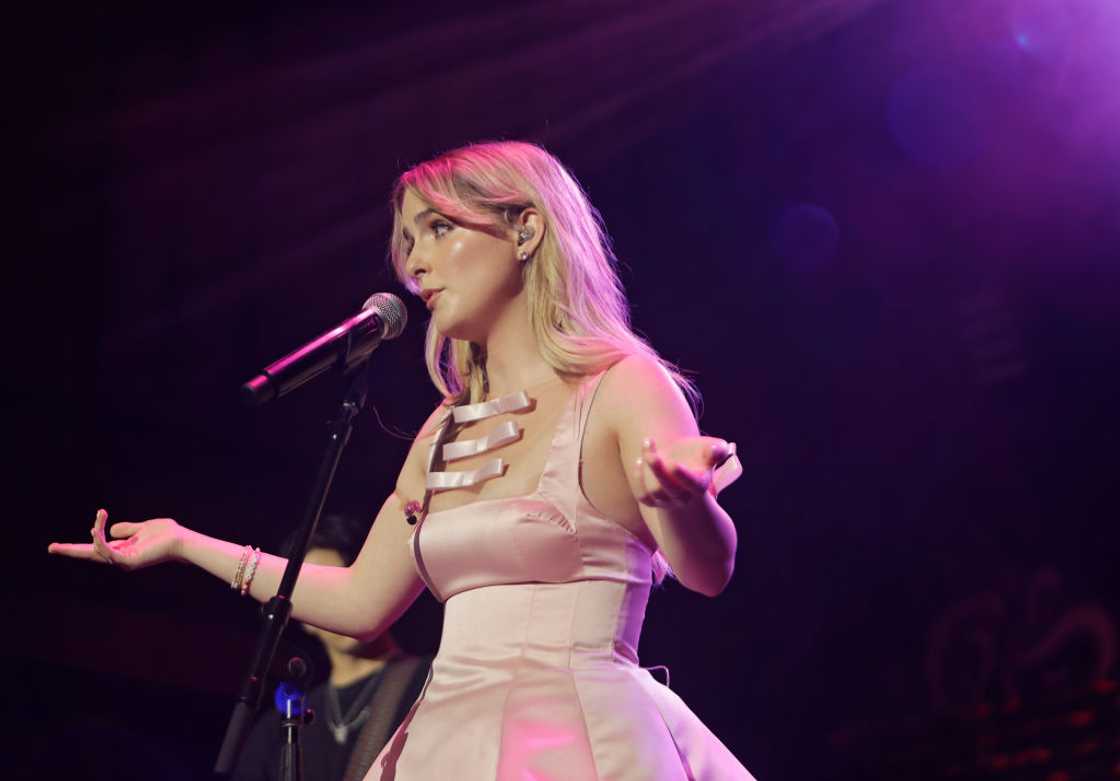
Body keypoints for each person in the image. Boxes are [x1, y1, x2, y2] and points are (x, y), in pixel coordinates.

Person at [49, 140, 755, 780]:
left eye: (440, 228)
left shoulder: (623, 383)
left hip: (580, 740)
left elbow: (708, 570)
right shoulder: (444, 429)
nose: (413, 262)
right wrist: (183, 542)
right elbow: (360, 601)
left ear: (526, 230)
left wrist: (683, 502)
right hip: (445, 740)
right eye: (408, 240)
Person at [232, 514, 431, 781]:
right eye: (320, 594)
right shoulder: (280, 726)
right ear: (300, 616)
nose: (337, 605)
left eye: (343, 587)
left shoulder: (434, 681)